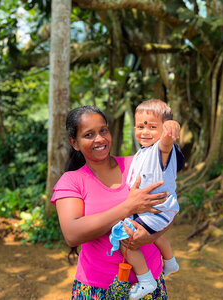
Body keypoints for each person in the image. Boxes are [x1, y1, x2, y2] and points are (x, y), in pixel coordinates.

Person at [51, 105, 172, 299]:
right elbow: (72, 234)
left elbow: (168, 206)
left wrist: (150, 237)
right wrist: (128, 207)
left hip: (150, 286)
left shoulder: (136, 164)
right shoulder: (72, 181)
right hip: (97, 288)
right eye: (89, 135)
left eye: (103, 131)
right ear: (75, 143)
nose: (99, 139)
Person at [108, 99, 183, 299]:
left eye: (152, 127)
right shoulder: (143, 152)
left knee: (125, 238)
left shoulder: (160, 150)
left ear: (163, 129)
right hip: (160, 212)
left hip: (156, 211)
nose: (145, 131)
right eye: (141, 126)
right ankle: (171, 261)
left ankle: (146, 279)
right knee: (157, 234)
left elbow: (166, 144)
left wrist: (169, 131)